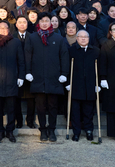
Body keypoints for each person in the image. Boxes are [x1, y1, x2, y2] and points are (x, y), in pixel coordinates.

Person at [24, 13, 69, 142]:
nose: (44, 23)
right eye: (42, 21)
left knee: (53, 106)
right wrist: (28, 72)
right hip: (38, 77)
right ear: (39, 22)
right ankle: (43, 129)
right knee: (40, 106)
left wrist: (64, 74)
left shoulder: (59, 38)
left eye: (47, 21)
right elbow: (27, 56)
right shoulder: (32, 38)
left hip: (54, 78)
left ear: (51, 23)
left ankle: (52, 129)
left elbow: (64, 57)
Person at [0, 20, 24, 142]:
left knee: (11, 108)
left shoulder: (16, 42)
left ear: (9, 29)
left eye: (5, 28)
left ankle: (10, 131)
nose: (3, 30)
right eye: (1, 28)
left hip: (11, 80)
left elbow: (21, 61)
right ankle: (0, 131)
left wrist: (21, 77)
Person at [66, 30, 100, 141]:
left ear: (89, 39)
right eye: (81, 37)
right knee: (75, 111)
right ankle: (76, 132)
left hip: (90, 85)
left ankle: (89, 130)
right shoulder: (71, 50)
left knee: (89, 111)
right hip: (76, 85)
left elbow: (100, 68)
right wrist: (67, 83)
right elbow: (67, 67)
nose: (84, 38)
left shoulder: (95, 51)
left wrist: (99, 83)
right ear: (77, 38)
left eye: (86, 37)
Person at [13, 15, 35, 129]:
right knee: (16, 98)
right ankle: (19, 121)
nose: (22, 24)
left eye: (24, 22)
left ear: (27, 24)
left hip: (30, 71)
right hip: (16, 71)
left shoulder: (33, 37)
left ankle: (30, 120)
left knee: (31, 98)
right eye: (20, 22)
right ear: (16, 24)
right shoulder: (12, 37)